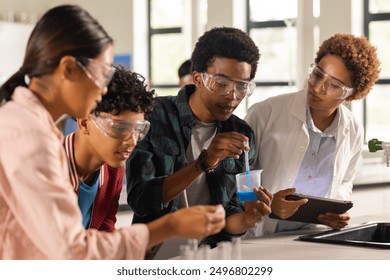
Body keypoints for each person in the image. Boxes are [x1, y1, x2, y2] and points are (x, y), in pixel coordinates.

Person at [0, 4, 225, 260]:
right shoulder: (28, 136)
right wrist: (169, 227)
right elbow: (71, 250)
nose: (103, 89)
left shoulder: (32, 126)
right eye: (101, 73)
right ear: (68, 69)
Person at [126, 27, 273, 248]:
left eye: (242, 86)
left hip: (211, 255)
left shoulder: (242, 134)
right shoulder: (153, 116)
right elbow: (141, 201)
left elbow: (229, 215)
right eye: (221, 84)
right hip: (156, 254)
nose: (232, 97)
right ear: (197, 78)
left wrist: (247, 219)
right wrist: (204, 163)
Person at [244, 33, 381, 237]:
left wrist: (336, 213)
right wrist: (267, 205)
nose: (318, 88)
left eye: (334, 85)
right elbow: (238, 177)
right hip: (261, 235)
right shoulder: (265, 113)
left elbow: (344, 182)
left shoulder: (353, 129)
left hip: (315, 236)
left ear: (351, 94)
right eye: (317, 74)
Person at [63, 65, 154, 231]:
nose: (132, 142)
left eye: (138, 130)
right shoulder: (49, 167)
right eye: (120, 128)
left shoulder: (112, 170)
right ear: (84, 122)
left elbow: (106, 228)